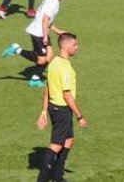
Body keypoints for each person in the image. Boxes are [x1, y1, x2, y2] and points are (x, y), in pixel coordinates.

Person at [34, 33, 87, 182]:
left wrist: (44, 111)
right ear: (67, 46)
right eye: (75, 45)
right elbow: (67, 95)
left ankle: (58, 175)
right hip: (62, 110)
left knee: (69, 140)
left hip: (53, 107)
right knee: (56, 145)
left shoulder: (53, 62)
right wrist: (80, 116)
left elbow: (47, 89)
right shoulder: (65, 68)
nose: (77, 47)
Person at [2, 0, 67, 88]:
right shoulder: (53, 3)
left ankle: (35, 77)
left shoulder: (52, 0)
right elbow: (45, 20)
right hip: (38, 33)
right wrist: (45, 36)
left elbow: (46, 20)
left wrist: (58, 31)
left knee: (49, 56)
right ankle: (17, 50)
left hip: (42, 30)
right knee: (42, 59)